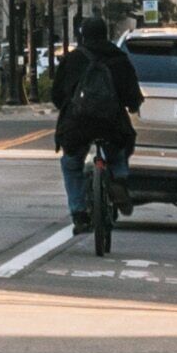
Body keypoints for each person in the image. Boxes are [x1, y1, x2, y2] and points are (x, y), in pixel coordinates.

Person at [50, 12, 143, 231]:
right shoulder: (118, 57)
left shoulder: (73, 59)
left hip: (78, 123)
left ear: (83, 35)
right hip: (111, 122)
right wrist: (132, 105)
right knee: (119, 150)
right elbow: (132, 95)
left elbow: (57, 94)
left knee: (71, 163)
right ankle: (118, 179)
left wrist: (67, 105)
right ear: (105, 33)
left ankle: (79, 213)